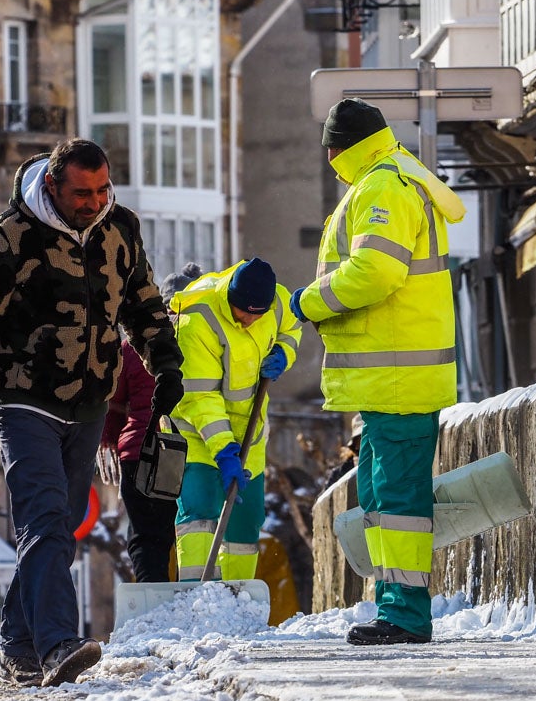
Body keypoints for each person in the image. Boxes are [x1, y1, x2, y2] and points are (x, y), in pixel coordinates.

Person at [0, 138, 183, 687]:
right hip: (24, 398)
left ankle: (17, 643)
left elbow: (143, 304)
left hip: (91, 401)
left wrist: (165, 364)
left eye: (102, 190)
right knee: (44, 518)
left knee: (59, 526)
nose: (94, 202)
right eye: (82, 193)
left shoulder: (119, 227)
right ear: (52, 185)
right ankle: (56, 644)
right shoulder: (9, 237)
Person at [289, 98, 465, 646]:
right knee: (382, 492)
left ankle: (406, 614)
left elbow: (374, 273)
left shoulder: (382, 187)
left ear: (338, 150)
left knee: (397, 498)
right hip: (392, 378)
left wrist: (308, 302)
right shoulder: (392, 179)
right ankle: (395, 605)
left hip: (398, 377)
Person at [169, 258, 301, 582]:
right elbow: (200, 396)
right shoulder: (198, 318)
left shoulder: (276, 302)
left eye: (259, 314)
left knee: (247, 518)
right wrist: (223, 450)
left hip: (250, 433)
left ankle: (238, 598)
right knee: (200, 512)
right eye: (245, 313)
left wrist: (285, 351)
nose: (251, 321)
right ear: (231, 298)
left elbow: (292, 328)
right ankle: (196, 597)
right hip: (198, 430)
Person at [100, 262, 205, 583]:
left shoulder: (132, 346)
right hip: (191, 451)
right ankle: (196, 599)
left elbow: (113, 405)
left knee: (146, 536)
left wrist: (107, 442)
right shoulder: (204, 342)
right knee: (193, 532)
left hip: (139, 453)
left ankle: (152, 602)